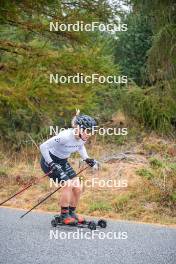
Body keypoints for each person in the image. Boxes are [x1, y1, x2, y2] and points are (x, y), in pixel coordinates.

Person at [40, 110, 98, 225]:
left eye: (91, 131)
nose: (89, 134)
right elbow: (43, 146)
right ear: (79, 129)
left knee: (78, 186)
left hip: (62, 161)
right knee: (67, 184)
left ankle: (71, 213)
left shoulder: (82, 137)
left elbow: (80, 146)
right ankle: (63, 215)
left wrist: (87, 158)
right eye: (88, 131)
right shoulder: (65, 136)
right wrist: (51, 163)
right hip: (49, 161)